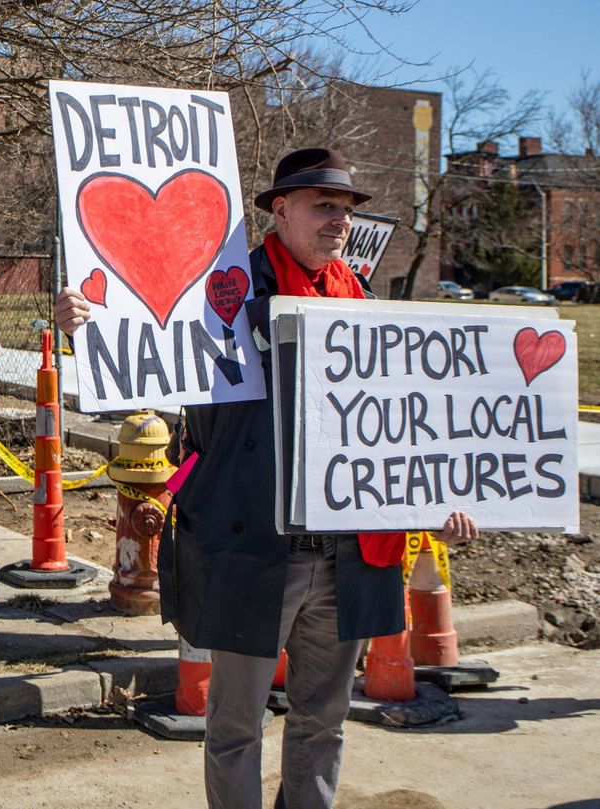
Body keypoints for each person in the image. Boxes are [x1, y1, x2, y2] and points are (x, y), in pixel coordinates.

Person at [55, 147, 478, 809]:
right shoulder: (223, 287)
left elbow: (404, 422)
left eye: (344, 208)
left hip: (349, 555)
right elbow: (144, 340)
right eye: (322, 205)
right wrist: (87, 324)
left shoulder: (363, 301)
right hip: (253, 548)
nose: (338, 220)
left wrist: (437, 495)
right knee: (233, 725)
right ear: (279, 210)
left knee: (322, 719)